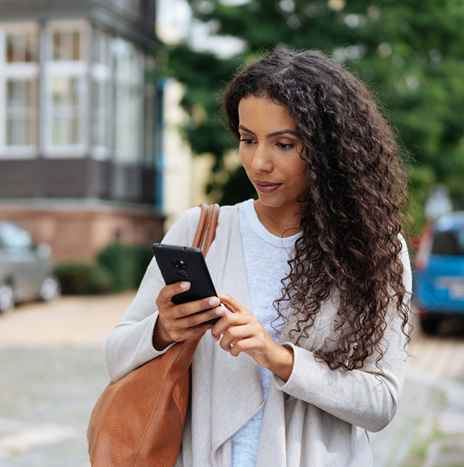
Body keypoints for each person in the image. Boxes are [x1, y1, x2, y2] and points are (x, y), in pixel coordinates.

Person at [104, 46, 413, 467]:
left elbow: (381, 403)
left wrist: (278, 358)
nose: (258, 162)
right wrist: (163, 330)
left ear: (329, 151)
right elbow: (116, 355)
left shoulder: (376, 250)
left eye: (284, 144)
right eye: (248, 140)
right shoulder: (201, 231)